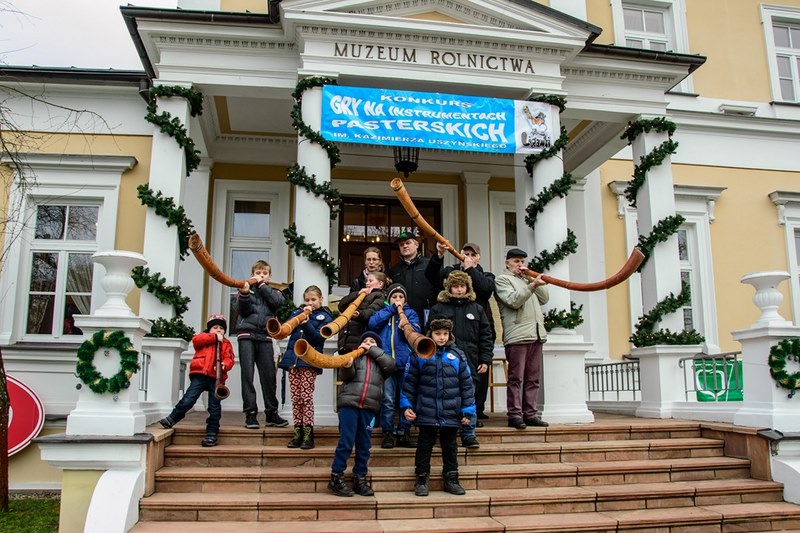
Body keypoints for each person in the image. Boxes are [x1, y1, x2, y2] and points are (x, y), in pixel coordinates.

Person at [400, 318, 475, 497]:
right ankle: (421, 479)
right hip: (427, 410)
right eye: (437, 333)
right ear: (430, 334)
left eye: (445, 334)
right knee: (424, 446)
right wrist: (406, 406)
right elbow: (409, 384)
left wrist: (467, 411)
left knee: (450, 447)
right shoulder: (420, 353)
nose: (441, 337)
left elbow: (467, 385)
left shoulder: (457, 355)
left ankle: (451, 479)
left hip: (451, 411)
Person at [426, 241, 496, 420]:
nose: (469, 257)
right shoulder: (450, 271)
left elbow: (485, 289)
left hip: (476, 332)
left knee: (477, 377)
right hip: (452, 337)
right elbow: (432, 276)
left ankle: (475, 413)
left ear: (478, 258)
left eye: (473, 255)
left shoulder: (486, 275)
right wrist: (439, 255)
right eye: (466, 254)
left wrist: (470, 269)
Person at [428, 270, 493, 448]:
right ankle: (444, 432)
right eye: (455, 286)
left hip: (470, 361)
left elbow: (486, 336)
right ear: (449, 288)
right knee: (445, 398)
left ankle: (468, 434)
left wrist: (485, 359)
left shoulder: (477, 309)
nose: (459, 290)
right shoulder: (438, 308)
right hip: (444, 362)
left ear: (468, 287)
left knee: (468, 399)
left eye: (462, 286)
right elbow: (429, 335)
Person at [328, 331, 395, 497]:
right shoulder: (355, 357)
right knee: (346, 441)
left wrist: (372, 350)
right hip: (349, 404)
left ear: (378, 347)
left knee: (364, 444)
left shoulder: (382, 362)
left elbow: (390, 365)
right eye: (365, 340)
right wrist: (347, 366)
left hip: (369, 407)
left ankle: (360, 477)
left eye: (372, 341)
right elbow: (346, 376)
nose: (368, 343)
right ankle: (336, 476)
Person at [159, 314, 235, 447]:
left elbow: (230, 358)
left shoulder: (226, 343)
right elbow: (196, 341)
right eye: (215, 327)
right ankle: (172, 418)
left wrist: (224, 364)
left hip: (216, 378)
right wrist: (213, 337)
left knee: (214, 407)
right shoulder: (203, 337)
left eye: (221, 328)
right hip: (200, 374)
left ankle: (212, 433)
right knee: (188, 399)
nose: (218, 330)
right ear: (209, 329)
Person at [494, 248, 549, 430]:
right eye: (516, 261)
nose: (520, 265)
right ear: (507, 263)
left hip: (536, 334)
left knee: (533, 378)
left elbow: (545, 298)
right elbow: (513, 300)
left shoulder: (527, 280)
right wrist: (531, 286)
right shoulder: (502, 280)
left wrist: (533, 280)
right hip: (517, 335)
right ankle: (515, 415)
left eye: (522, 261)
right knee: (516, 378)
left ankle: (531, 414)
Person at [234, 260, 288, 430]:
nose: (261, 275)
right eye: (258, 273)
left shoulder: (275, 291)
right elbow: (243, 311)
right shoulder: (244, 289)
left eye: (264, 273)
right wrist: (244, 294)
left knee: (269, 376)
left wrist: (263, 286)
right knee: (247, 376)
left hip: (265, 336)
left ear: (269, 276)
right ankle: (250, 414)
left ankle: (271, 413)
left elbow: (277, 303)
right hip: (246, 336)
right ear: (252, 274)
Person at [277, 285, 333, 450]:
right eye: (307, 300)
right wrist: (298, 315)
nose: (310, 303)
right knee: (295, 399)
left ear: (321, 299)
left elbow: (317, 339)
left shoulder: (325, 317)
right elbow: (287, 328)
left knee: (306, 398)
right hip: (293, 360)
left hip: (309, 361)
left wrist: (307, 323)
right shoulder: (297, 312)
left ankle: (308, 434)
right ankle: (298, 432)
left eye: (313, 300)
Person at [368, 283, 421, 449]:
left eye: (401, 297)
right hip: (386, 363)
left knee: (407, 398)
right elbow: (372, 323)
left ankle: (404, 432)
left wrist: (405, 326)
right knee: (388, 399)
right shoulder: (383, 312)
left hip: (406, 363)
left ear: (405, 300)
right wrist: (391, 310)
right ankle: (388, 433)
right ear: (389, 299)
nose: (397, 300)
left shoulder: (411, 314)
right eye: (394, 297)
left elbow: (417, 333)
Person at [388, 230, 438, 325]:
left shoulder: (429, 264)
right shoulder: (394, 270)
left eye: (408, 243)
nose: (405, 246)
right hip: (403, 317)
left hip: (426, 315)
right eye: (401, 244)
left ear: (416, 245)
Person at [336, 271, 390, 354]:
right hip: (346, 340)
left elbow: (371, 312)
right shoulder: (361, 294)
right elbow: (341, 306)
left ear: (380, 284)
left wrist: (358, 314)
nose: (367, 283)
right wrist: (357, 293)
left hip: (359, 339)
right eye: (366, 281)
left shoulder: (380, 296)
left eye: (370, 281)